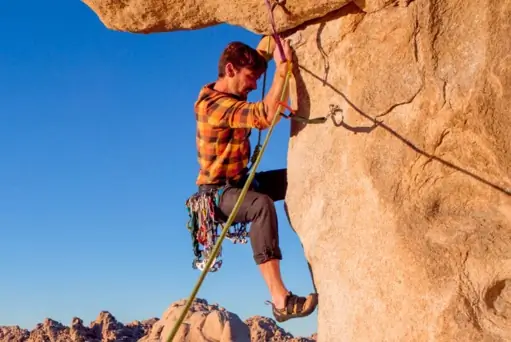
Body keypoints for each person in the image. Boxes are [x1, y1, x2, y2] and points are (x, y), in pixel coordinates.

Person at [192, 36, 318, 322]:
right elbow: (264, 114)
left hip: (240, 182)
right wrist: (282, 71)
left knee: (298, 177)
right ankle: (280, 299)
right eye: (251, 78)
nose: (253, 85)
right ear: (230, 70)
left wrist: (274, 39)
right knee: (260, 205)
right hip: (216, 195)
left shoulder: (235, 88)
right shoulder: (211, 105)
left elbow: (261, 51)